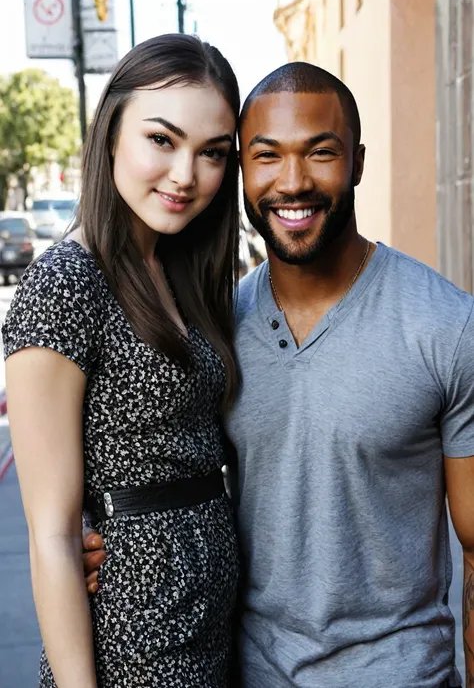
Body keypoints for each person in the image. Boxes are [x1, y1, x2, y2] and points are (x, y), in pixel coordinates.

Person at [83, 62, 474, 688]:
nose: (292, 183)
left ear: (359, 163)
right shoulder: (214, 329)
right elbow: (160, 462)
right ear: (242, 171)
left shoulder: (446, 326)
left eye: (321, 153)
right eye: (266, 157)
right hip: (246, 670)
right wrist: (103, 537)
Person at [3, 34, 242, 687]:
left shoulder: (185, 270)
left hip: (212, 620)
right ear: (111, 133)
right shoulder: (66, 284)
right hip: (132, 633)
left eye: (213, 152)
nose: (186, 173)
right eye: (161, 140)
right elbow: (51, 534)